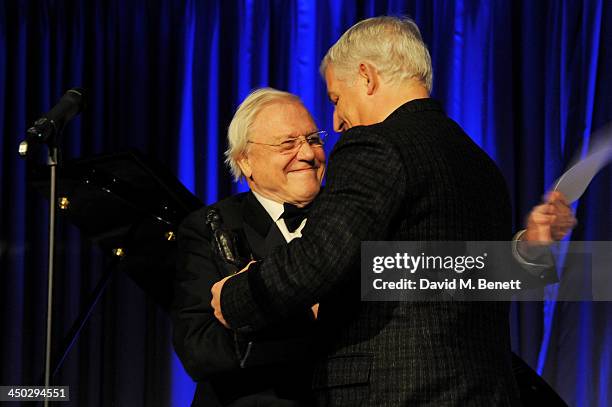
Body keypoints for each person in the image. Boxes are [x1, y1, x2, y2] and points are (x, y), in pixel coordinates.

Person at [211, 17, 575, 406]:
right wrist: (527, 249)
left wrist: (235, 297)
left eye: (336, 99)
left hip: (395, 392)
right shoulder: (480, 163)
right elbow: (473, 274)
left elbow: (319, 260)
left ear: (366, 77)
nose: (336, 121)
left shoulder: (373, 146)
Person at [172, 88, 325, 406]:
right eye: (288, 144)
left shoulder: (354, 215)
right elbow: (198, 349)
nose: (309, 154)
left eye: (313, 139)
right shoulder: (209, 227)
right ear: (246, 160)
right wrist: (305, 320)